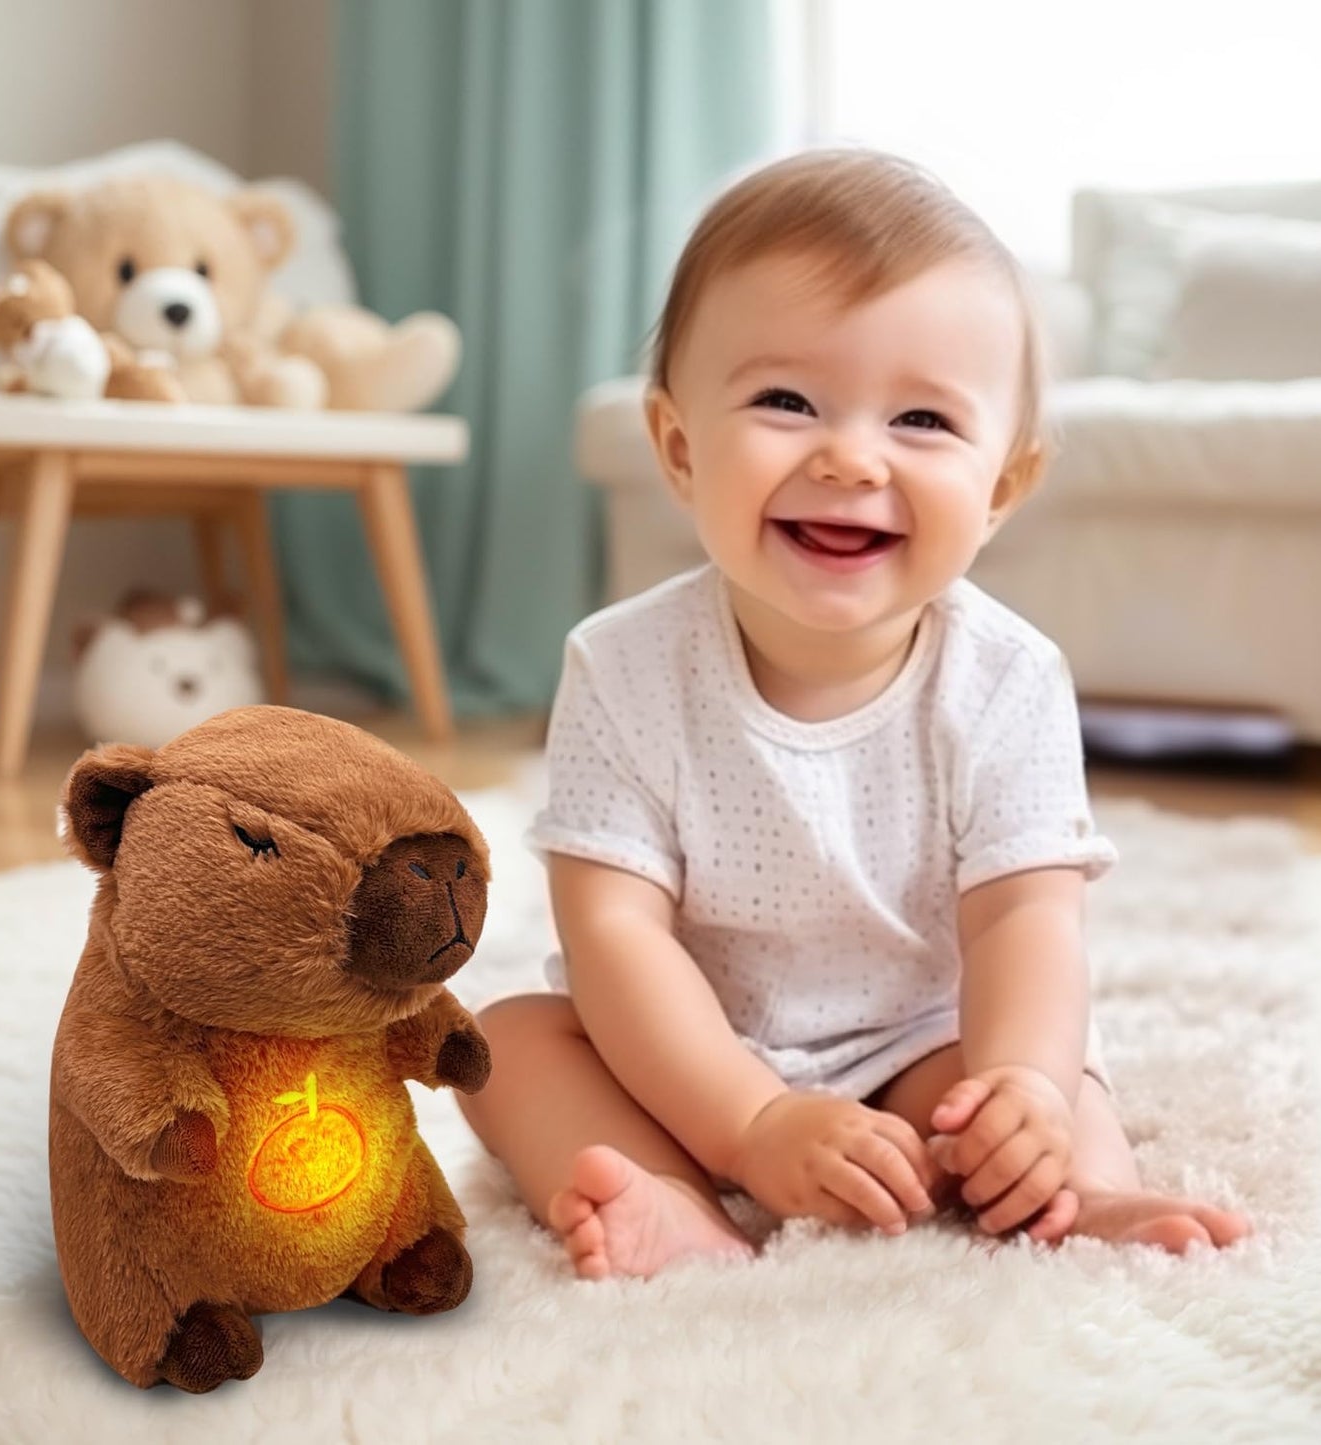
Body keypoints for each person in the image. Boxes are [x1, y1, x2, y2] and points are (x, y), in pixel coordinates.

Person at [459, 149, 1252, 1279]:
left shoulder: (1008, 678)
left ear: (1000, 488)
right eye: (785, 401)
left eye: (922, 420)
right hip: (678, 1052)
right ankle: (676, 1200)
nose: (848, 456)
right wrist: (747, 1123)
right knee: (510, 1045)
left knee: (1036, 1087)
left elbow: (1024, 922)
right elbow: (614, 933)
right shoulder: (619, 665)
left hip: (912, 1051)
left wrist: (1021, 1090)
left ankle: (1082, 1196)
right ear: (680, 449)